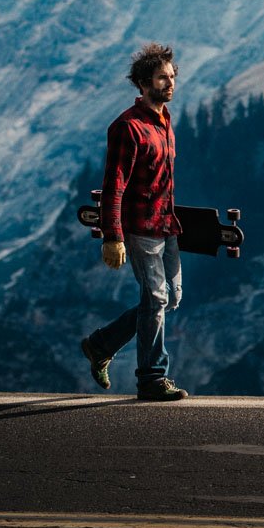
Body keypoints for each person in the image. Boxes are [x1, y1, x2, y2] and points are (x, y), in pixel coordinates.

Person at [80, 42, 190, 401]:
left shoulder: (164, 122)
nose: (170, 83)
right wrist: (113, 237)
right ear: (143, 83)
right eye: (162, 78)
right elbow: (114, 185)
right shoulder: (127, 127)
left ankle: (101, 345)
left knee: (168, 299)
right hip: (140, 229)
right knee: (156, 298)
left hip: (166, 226)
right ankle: (152, 378)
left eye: (172, 77)